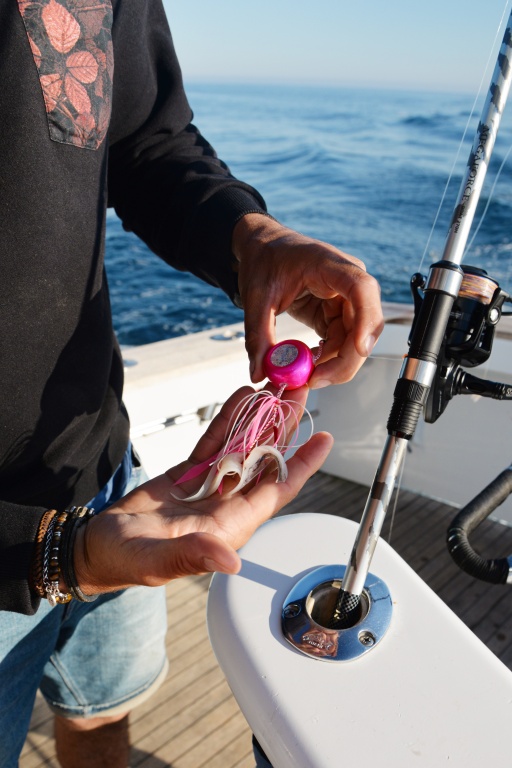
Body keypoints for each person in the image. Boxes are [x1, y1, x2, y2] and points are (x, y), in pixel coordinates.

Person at [0, 0, 384, 764]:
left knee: (106, 707)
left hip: (105, 468)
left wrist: (250, 236)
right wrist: (50, 555)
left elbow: (143, 139)